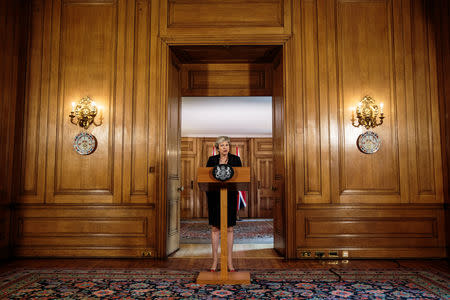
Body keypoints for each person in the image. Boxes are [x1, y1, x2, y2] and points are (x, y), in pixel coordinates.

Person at [206, 136, 242, 272]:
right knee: (215, 228)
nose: (225, 147)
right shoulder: (211, 160)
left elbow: (240, 177)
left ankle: (229, 263)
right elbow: (206, 179)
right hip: (215, 197)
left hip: (230, 197)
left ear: (229, 147)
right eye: (222, 145)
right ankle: (215, 262)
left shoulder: (236, 160)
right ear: (217, 148)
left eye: (227, 145)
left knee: (230, 228)